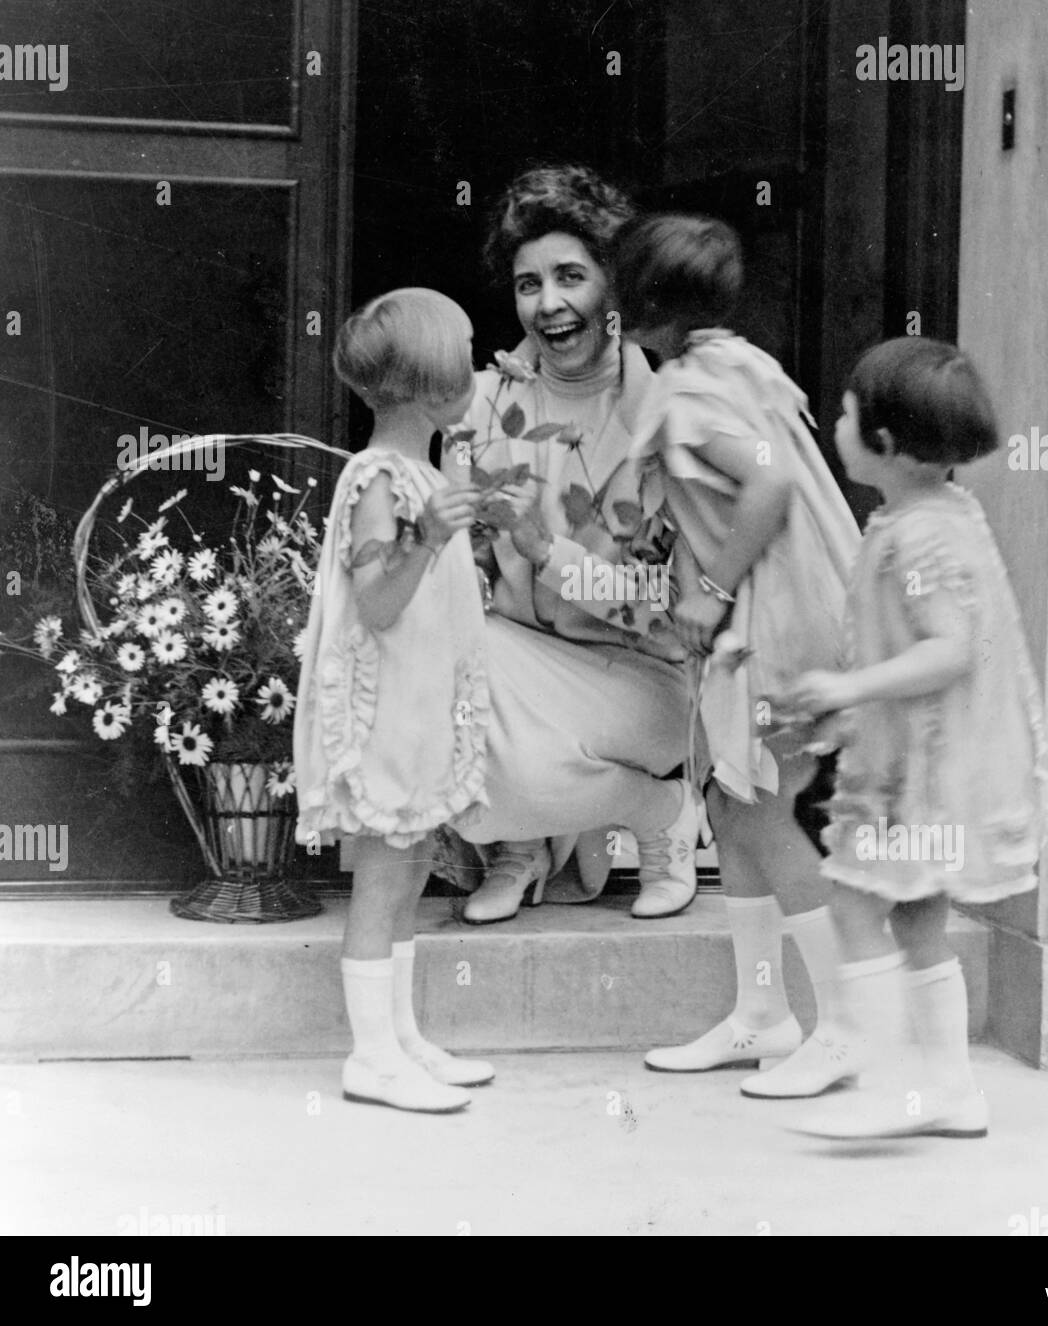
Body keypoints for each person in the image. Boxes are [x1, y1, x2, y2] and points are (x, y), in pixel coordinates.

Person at [294, 287, 699, 1113]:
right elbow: (374, 600)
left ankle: (401, 1038)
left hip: (420, 717)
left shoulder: (423, 470)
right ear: (430, 381)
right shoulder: (378, 479)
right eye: (467, 350)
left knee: (405, 875)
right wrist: (430, 536)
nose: (488, 360)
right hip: (386, 724)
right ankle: (370, 1056)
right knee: (381, 884)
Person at [773, 337, 1048, 1138]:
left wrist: (851, 688)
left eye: (848, 413)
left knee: (856, 908)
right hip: (911, 768)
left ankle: (893, 1085)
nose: (836, 422)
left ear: (885, 443)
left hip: (918, 782)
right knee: (916, 918)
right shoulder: (925, 517)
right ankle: (951, 1089)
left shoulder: (921, 536)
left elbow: (950, 650)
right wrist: (849, 710)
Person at [612, 214, 866, 1099]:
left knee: (763, 816)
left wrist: (710, 590)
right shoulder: (737, 363)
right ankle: (763, 1018)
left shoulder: (683, 392)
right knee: (736, 804)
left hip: (776, 625)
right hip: (789, 613)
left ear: (639, 305)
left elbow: (770, 480)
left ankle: (845, 1030)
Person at [446, 165, 698, 923]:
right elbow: (460, 575)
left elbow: (663, 611)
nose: (548, 303)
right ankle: (517, 846)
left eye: (570, 276)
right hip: (520, 665)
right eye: (529, 284)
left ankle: (661, 813)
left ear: (614, 287)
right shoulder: (486, 406)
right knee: (436, 669)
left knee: (488, 698)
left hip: (641, 681)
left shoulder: (664, 419)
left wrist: (544, 547)